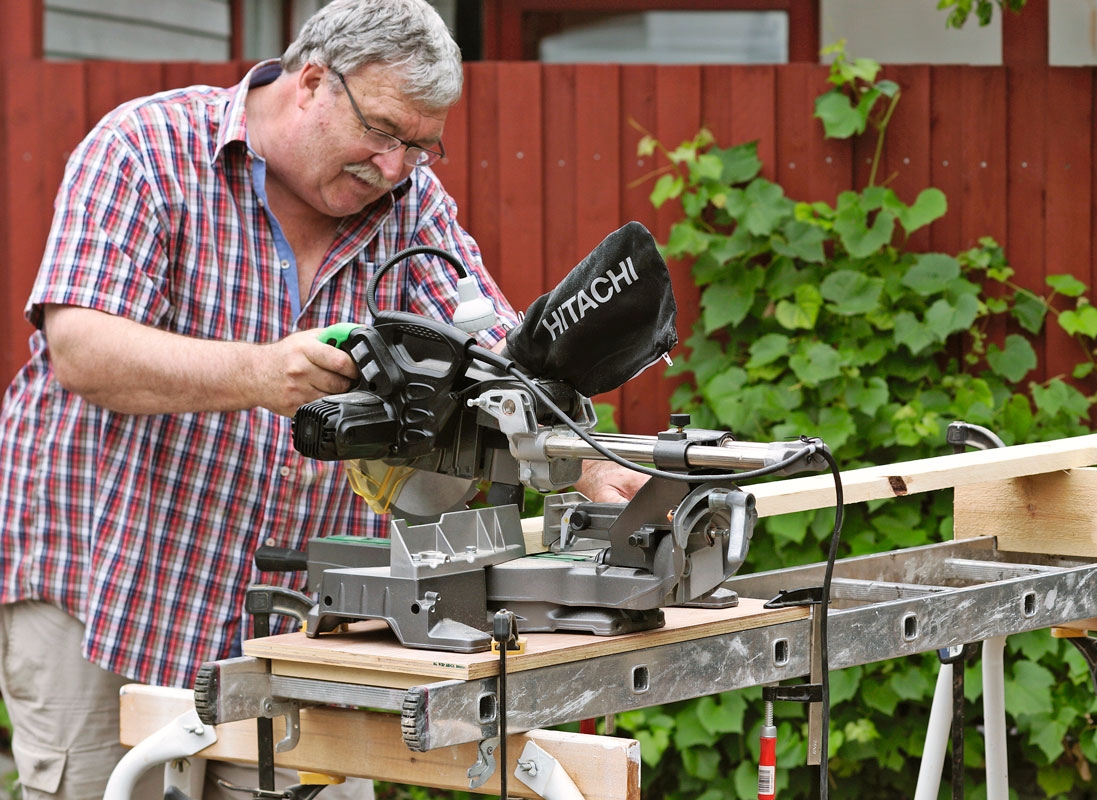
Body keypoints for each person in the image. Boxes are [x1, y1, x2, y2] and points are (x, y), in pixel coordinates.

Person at [0, 2, 644, 798]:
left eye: (420, 143)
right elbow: (81, 350)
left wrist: (586, 465)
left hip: (287, 597)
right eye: (382, 131)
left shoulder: (409, 199)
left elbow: (494, 355)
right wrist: (262, 375)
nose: (397, 165)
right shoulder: (144, 148)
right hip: (106, 571)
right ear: (312, 82)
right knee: (100, 785)